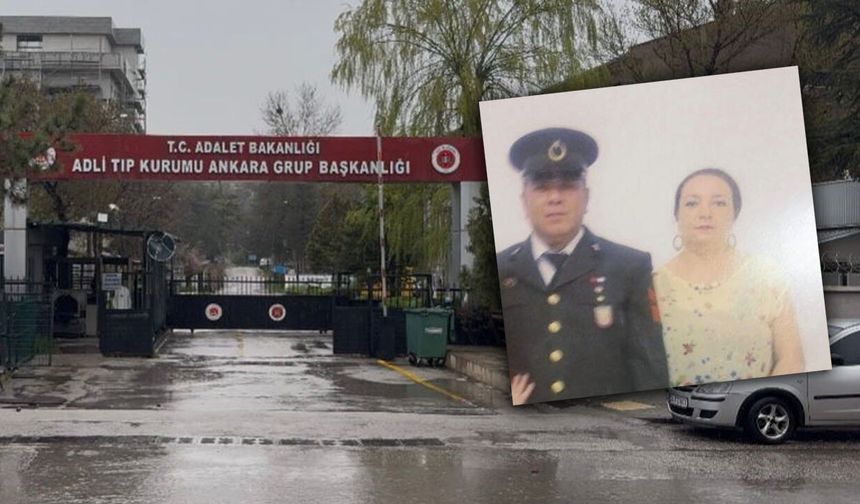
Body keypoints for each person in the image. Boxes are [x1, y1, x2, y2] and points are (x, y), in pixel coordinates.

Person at [497, 128, 669, 405]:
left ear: (586, 197)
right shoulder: (502, 268)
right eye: (541, 187)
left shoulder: (629, 267)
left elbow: (651, 371)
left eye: (567, 186)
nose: (555, 198)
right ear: (524, 202)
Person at [653, 168, 804, 386]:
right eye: (692, 203)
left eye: (719, 203)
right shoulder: (653, 284)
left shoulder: (767, 276)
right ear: (676, 215)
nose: (705, 212)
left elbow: (792, 360)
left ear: (735, 213)